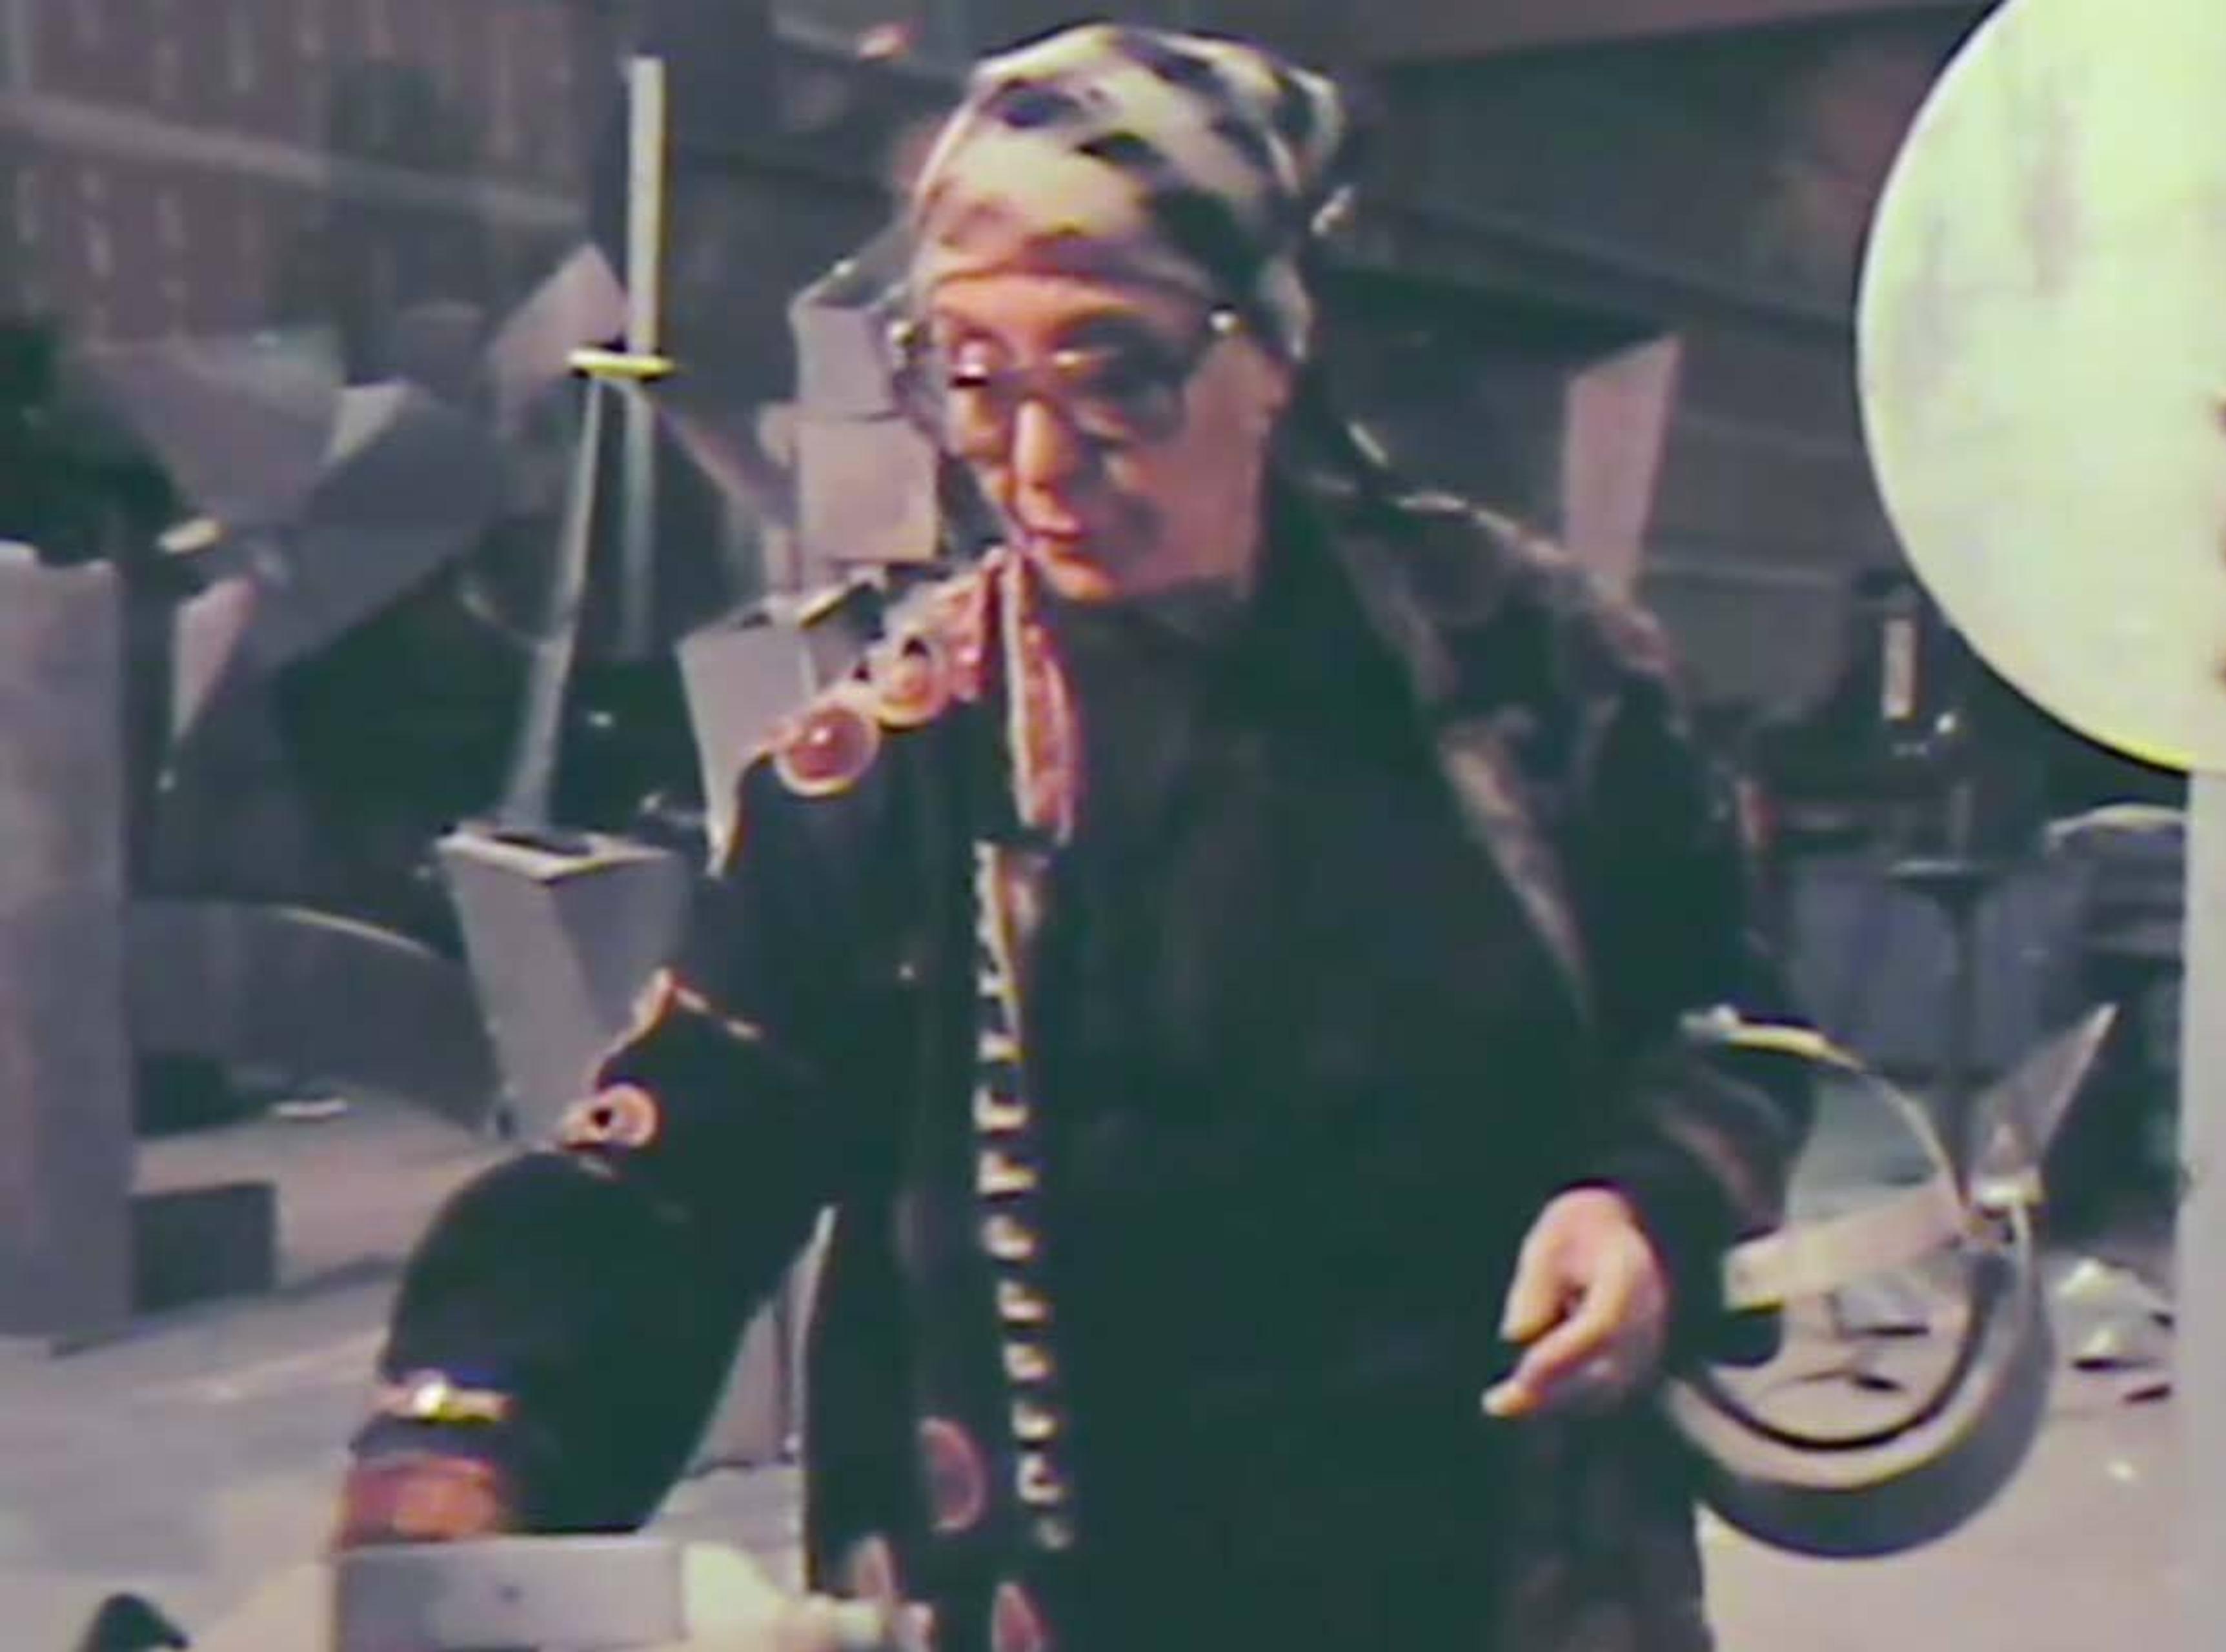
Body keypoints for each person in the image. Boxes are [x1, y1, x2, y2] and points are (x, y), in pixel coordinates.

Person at [334, 23, 1810, 1652]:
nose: (1038, 464)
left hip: (1492, 1573)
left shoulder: (1541, 680)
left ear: (1274, 348)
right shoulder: (897, 768)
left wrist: (1649, 1206)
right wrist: (465, 1449)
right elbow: (667, 1176)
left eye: (1118, 376)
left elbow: (1727, 1023)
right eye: (975, 380)